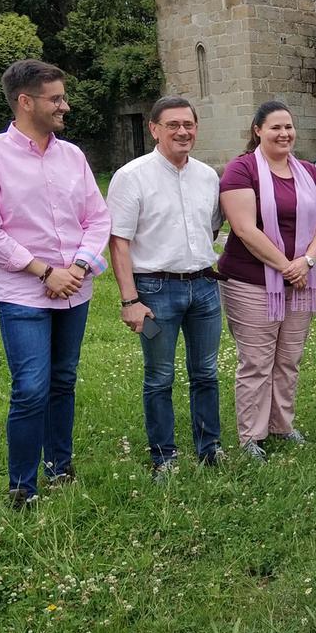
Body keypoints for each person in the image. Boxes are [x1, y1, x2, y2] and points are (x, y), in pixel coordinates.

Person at [0, 59, 111, 508]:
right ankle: (22, 488)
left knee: (64, 380)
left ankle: (59, 468)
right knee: (31, 386)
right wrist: (45, 272)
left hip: (75, 289)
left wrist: (79, 268)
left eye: (63, 97)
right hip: (23, 292)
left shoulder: (73, 156)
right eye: (56, 99)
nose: (65, 106)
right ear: (25, 102)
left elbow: (97, 217)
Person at [107, 96, 223, 480]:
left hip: (204, 288)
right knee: (159, 376)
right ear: (154, 129)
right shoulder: (131, 176)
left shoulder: (208, 176)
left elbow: (213, 227)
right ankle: (164, 457)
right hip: (156, 292)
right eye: (172, 125)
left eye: (188, 124)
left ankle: (210, 449)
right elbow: (118, 242)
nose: (182, 132)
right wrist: (130, 300)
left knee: (205, 372)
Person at [218, 101, 316, 457]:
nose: (284, 134)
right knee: (256, 362)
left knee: (288, 359)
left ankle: (282, 425)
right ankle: (251, 435)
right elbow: (244, 228)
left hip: (300, 279)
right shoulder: (242, 169)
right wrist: (288, 266)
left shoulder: (309, 172)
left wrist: (308, 261)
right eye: (275, 128)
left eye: (288, 127)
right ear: (258, 131)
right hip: (251, 281)